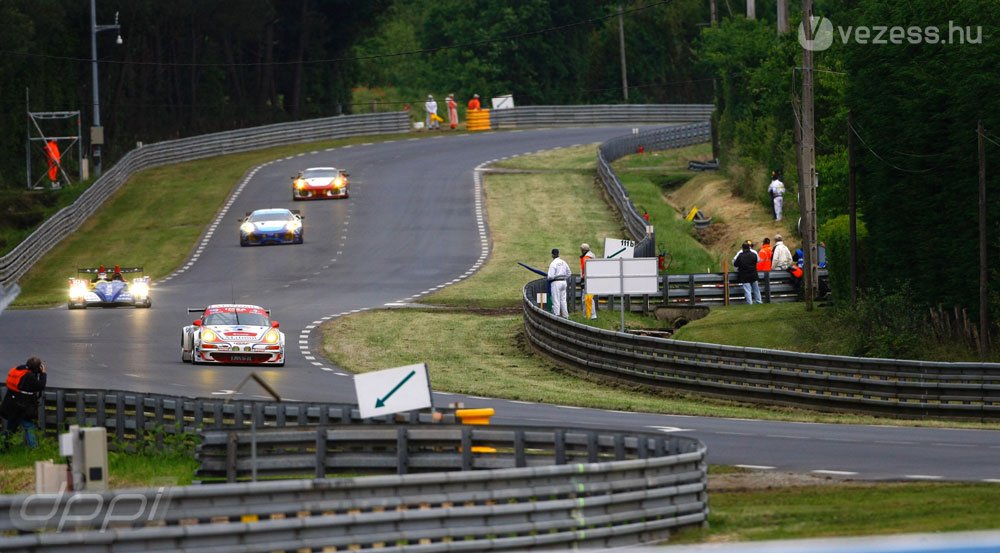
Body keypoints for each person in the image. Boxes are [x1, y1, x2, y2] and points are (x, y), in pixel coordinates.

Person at [1, 357, 47, 448]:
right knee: (29, 426)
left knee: (11, 427)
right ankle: (33, 449)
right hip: (22, 407)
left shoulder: (17, 370)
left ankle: (5, 447)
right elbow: (40, 386)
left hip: (11, 404)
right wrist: (43, 374)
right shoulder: (28, 376)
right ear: (36, 368)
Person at [547, 248, 571, 318]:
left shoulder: (553, 263)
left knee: (556, 300)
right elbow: (569, 273)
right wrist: (563, 277)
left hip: (556, 283)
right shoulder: (563, 262)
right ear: (558, 253)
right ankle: (565, 316)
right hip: (563, 282)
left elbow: (550, 276)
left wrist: (548, 278)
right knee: (563, 300)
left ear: (552, 255)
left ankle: (556, 316)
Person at [579, 243, 597, 320]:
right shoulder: (592, 256)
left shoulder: (586, 257)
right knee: (588, 298)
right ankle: (589, 315)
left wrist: (583, 276)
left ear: (583, 250)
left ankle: (590, 316)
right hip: (591, 279)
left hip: (587, 280)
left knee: (586, 298)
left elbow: (585, 269)